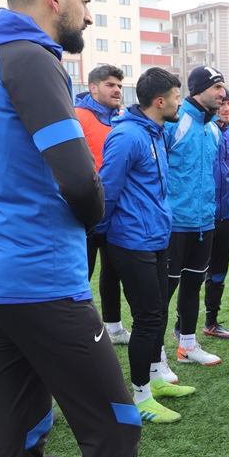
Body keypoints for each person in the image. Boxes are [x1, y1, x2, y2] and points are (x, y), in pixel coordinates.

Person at [0, 0, 140, 457]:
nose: (89, 14)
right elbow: (79, 178)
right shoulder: (30, 58)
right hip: (40, 280)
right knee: (115, 428)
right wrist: (94, 217)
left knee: (17, 437)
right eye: (86, 0)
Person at [99, 67, 195, 424]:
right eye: (176, 98)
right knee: (148, 317)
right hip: (132, 242)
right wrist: (105, 234)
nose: (180, 103)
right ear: (159, 101)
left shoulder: (155, 131)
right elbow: (106, 191)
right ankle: (139, 397)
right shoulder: (127, 136)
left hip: (156, 238)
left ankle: (155, 378)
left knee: (158, 313)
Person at [164, 65, 225, 366]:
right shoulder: (174, 122)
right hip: (174, 223)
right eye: (216, 87)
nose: (222, 93)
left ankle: (187, 346)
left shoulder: (213, 129)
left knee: (192, 287)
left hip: (204, 222)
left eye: (222, 87)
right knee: (163, 292)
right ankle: (154, 356)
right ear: (199, 90)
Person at [75, 65, 128, 344]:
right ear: (93, 88)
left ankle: (114, 328)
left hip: (115, 208)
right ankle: (79, 333)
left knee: (113, 269)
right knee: (81, 273)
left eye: (119, 85)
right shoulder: (77, 116)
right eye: (110, 85)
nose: (117, 90)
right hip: (83, 211)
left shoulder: (122, 118)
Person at [203, 89, 229, 338]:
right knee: (192, 273)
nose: (226, 108)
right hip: (201, 214)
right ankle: (181, 326)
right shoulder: (202, 131)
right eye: (222, 103)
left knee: (219, 271)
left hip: (226, 213)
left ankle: (211, 322)